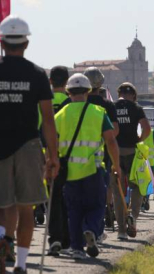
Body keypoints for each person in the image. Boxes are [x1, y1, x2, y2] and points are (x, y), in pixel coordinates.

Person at [0, 15, 59, 274]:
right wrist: (53, 155)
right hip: (29, 147)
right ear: (26, 43)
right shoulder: (37, 74)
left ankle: (0, 237)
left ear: (2, 42)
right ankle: (19, 264)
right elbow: (49, 120)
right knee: (25, 207)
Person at [55, 73, 121, 260]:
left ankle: (77, 248)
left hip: (69, 173)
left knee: (73, 211)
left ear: (68, 92)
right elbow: (111, 141)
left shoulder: (60, 114)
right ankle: (91, 229)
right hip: (93, 170)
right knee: (97, 205)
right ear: (88, 91)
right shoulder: (99, 113)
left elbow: (52, 140)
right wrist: (116, 165)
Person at [83, 67, 119, 243]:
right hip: (101, 155)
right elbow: (115, 131)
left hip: (77, 154)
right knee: (100, 194)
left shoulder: (76, 102)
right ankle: (97, 228)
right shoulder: (108, 105)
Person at [112, 82, 150, 240]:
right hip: (133, 151)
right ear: (133, 95)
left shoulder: (112, 106)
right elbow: (146, 128)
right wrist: (139, 140)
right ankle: (133, 216)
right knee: (138, 187)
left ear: (118, 93)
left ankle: (121, 230)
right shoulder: (136, 108)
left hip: (115, 151)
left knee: (118, 191)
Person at [46, 66, 71, 256]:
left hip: (48, 155)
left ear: (50, 81)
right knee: (69, 198)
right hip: (70, 156)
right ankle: (68, 237)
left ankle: (55, 237)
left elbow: (39, 129)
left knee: (52, 198)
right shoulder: (72, 104)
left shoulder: (43, 102)